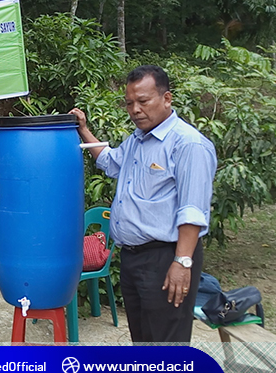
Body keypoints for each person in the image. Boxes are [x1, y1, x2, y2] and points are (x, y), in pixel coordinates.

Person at [71, 65, 217, 343]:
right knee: (142, 339)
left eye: (143, 101)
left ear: (167, 99)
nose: (135, 109)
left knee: (166, 342)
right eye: (129, 103)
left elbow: (192, 209)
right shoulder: (138, 140)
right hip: (133, 258)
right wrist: (84, 131)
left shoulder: (188, 145)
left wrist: (182, 262)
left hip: (166, 257)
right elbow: (110, 162)